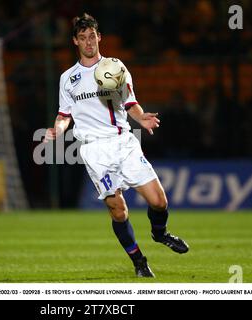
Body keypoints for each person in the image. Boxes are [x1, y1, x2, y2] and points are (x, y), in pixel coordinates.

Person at [44, 13, 189, 278]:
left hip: (123, 142)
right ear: (75, 41)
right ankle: (138, 261)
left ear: (99, 37)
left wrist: (142, 118)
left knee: (158, 201)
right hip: (95, 149)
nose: (88, 42)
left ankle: (160, 233)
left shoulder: (116, 67)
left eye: (92, 36)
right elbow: (65, 114)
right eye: (82, 38)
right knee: (118, 210)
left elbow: (130, 103)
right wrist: (58, 129)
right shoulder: (68, 78)